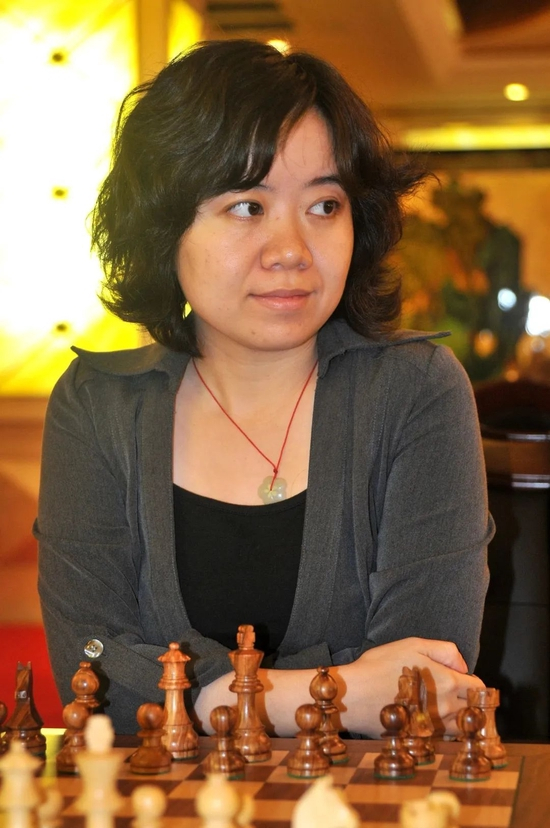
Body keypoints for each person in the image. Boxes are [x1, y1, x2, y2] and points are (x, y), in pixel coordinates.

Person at [35, 39, 493, 737]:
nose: (292, 251)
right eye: (248, 206)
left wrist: (190, 698)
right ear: (164, 226)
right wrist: (320, 691)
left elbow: (425, 684)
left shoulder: (414, 392)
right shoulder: (97, 405)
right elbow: (89, 678)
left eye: (325, 205)